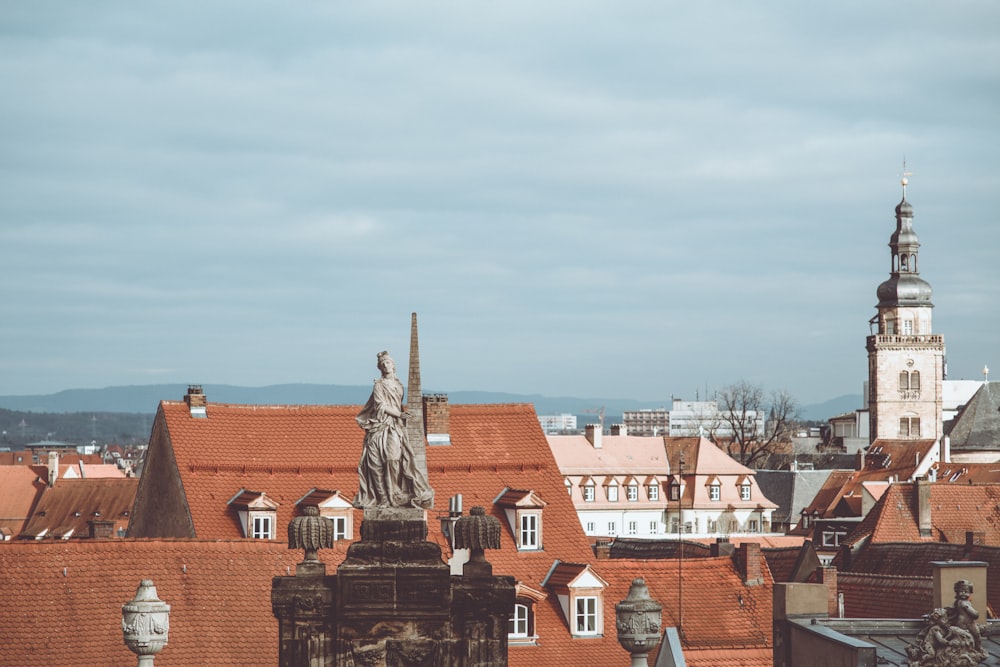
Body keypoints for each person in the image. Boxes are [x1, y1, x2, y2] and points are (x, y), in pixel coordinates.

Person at [352, 351, 433, 509]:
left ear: (393, 365)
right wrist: (400, 414)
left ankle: (395, 492)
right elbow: (380, 405)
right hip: (380, 426)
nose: (385, 365)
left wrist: (402, 415)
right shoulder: (379, 385)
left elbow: (397, 404)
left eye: (387, 362)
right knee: (375, 464)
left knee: (393, 459)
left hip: (395, 427)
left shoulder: (399, 385)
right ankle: (383, 498)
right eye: (382, 364)